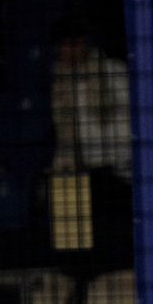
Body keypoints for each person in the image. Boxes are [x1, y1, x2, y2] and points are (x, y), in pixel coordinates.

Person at [49, 16, 132, 264]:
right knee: (64, 188)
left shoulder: (113, 72)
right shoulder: (62, 81)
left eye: (73, 44)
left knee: (117, 238)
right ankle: (75, 268)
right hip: (82, 169)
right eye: (64, 45)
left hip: (118, 168)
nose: (68, 51)